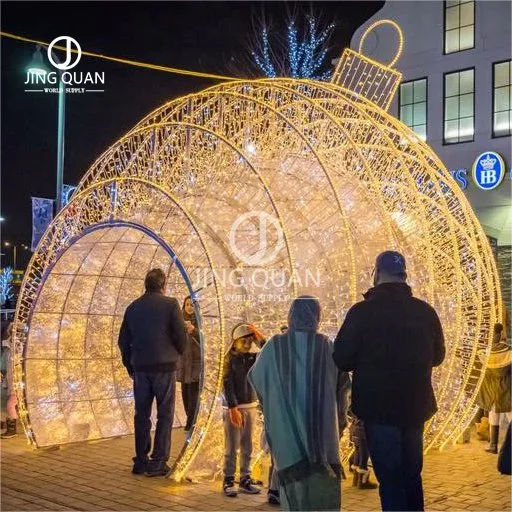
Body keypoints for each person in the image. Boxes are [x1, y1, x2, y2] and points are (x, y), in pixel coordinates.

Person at [333, 251, 445, 512]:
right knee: (411, 475)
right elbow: (438, 357)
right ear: (404, 275)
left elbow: (342, 358)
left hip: (378, 410)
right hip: (415, 408)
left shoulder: (362, 313)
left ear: (376, 273)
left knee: (391, 479)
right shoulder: (425, 311)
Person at [249, 296, 341, 511]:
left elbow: (257, 379)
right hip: (322, 435)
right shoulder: (326, 346)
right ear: (317, 316)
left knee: (295, 496)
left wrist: (276, 402)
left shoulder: (275, 346)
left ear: (291, 315)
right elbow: (342, 384)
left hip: (287, 436)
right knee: (322, 492)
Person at [118, 268, 188, 477]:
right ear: (163, 285)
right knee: (165, 415)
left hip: (140, 369)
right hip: (164, 368)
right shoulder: (170, 304)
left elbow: (123, 341)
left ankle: (140, 460)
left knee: (142, 415)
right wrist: (177, 352)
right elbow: (180, 336)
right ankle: (158, 461)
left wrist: (130, 366)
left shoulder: (133, 308)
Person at [222, 323, 262, 497]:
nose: (247, 345)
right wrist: (232, 407)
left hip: (251, 405)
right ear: (235, 341)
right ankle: (229, 479)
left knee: (248, 445)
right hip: (234, 408)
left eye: (250, 341)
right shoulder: (229, 358)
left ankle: (245, 477)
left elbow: (269, 351)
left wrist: (258, 335)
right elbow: (227, 382)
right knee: (232, 445)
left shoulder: (255, 357)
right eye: (243, 341)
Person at [476, 323, 512, 453]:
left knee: (493, 415)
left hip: (491, 389)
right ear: (502, 333)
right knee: (510, 415)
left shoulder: (485, 352)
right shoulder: (509, 351)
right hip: (507, 388)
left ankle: (493, 445)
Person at [177, 296, 201, 432]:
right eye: (187, 305)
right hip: (183, 363)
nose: (189, 307)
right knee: (185, 394)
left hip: (196, 363)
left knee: (194, 393)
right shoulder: (179, 321)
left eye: (192, 305)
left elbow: (204, 340)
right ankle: (190, 418)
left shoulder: (200, 322)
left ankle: (191, 422)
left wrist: (194, 331)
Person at [349, 416, 378, 489]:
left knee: (358, 452)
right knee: (364, 454)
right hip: (362, 430)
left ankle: (356, 480)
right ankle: (362, 482)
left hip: (355, 428)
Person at [1, 321, 17, 439]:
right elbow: (3, 366)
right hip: (9, 381)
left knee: (10, 404)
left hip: (16, 383)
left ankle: (12, 430)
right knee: (8, 403)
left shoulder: (15, 350)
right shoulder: (7, 349)